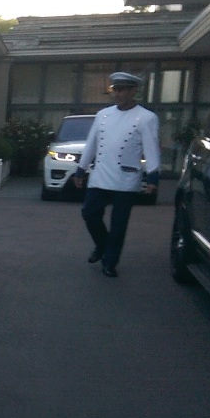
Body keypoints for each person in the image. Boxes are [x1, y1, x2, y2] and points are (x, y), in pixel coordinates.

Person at [71, 71, 160, 277]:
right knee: (89, 214)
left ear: (133, 91)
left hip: (126, 176)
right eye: (116, 89)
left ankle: (110, 262)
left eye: (123, 90)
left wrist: (153, 177)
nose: (118, 94)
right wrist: (81, 169)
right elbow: (92, 143)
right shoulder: (103, 115)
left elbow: (151, 148)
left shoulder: (147, 117)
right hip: (101, 173)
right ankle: (103, 245)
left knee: (119, 223)